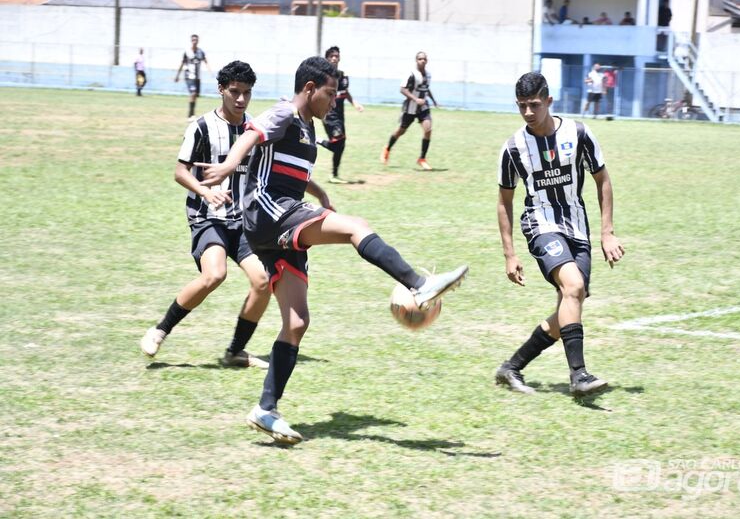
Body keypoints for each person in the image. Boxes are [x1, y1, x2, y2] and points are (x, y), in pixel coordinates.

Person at [198, 56, 468, 444]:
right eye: (330, 93)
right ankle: (418, 284)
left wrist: (319, 191)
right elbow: (250, 136)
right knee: (357, 228)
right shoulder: (286, 113)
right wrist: (227, 166)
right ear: (310, 89)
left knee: (297, 323)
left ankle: (266, 409)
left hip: (279, 222)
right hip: (267, 214)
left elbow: (286, 171)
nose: (334, 101)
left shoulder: (307, 130)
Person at [494, 72, 624, 397]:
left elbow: (602, 180)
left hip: (578, 228)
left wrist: (607, 233)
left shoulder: (578, 133)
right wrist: (510, 254)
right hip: (541, 226)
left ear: (549, 101)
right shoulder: (513, 148)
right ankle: (579, 375)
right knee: (574, 286)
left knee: (570, 304)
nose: (528, 112)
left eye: (534, 105)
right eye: (522, 106)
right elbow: (504, 202)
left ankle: (511, 367)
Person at [140, 60, 272, 369]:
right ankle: (160, 331)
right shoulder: (201, 126)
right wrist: (205, 191)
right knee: (214, 274)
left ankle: (235, 352)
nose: (241, 100)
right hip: (207, 216)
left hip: (241, 220)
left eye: (247, 93)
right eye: (235, 92)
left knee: (263, 281)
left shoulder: (254, 128)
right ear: (221, 90)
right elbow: (179, 172)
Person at [380, 51, 440, 171]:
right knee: (400, 131)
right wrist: (415, 99)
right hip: (410, 108)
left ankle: (422, 159)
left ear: (427, 61)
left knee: (428, 129)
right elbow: (402, 89)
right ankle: (387, 148)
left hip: (423, 107)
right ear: (416, 60)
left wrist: (434, 101)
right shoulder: (411, 74)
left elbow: (426, 89)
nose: (422, 61)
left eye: (424, 59)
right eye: (420, 59)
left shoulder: (428, 75)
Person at [317, 45, 364, 184]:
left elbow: (345, 93)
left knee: (341, 144)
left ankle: (334, 175)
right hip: (329, 114)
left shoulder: (342, 76)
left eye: (336, 56)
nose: (334, 58)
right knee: (338, 141)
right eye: (331, 56)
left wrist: (355, 103)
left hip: (340, 114)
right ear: (326, 59)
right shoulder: (322, 76)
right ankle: (317, 140)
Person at [175, 34, 212, 119]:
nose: (194, 41)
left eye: (196, 40)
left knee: (196, 95)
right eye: (193, 40)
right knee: (193, 93)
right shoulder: (187, 52)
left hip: (197, 77)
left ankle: (192, 113)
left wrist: (210, 71)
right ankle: (190, 115)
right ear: (191, 41)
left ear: (198, 41)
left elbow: (205, 60)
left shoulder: (200, 52)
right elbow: (182, 63)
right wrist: (177, 75)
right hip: (189, 76)